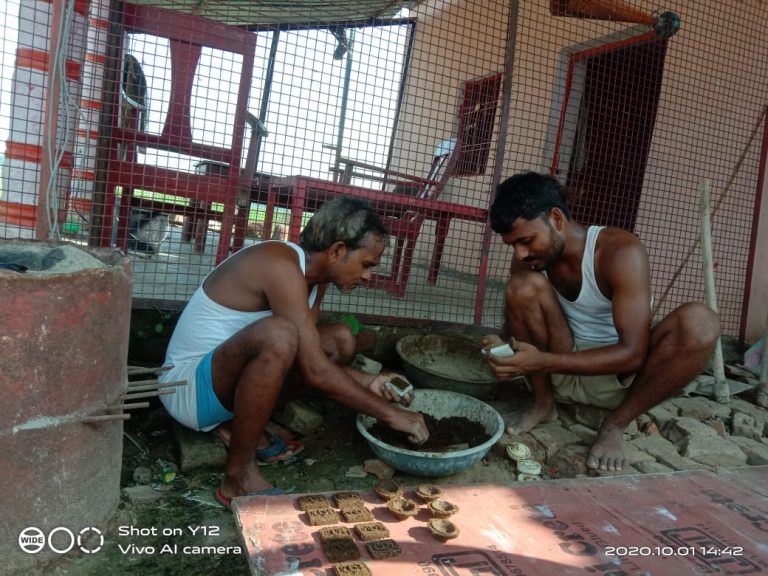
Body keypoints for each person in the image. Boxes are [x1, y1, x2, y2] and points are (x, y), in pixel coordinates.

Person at [159, 197, 428, 507]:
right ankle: (238, 476)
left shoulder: (316, 279)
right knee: (280, 335)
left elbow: (308, 355)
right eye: (367, 264)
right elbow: (313, 368)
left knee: (338, 338)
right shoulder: (278, 264)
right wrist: (392, 415)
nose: (369, 276)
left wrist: (372, 381)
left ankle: (239, 426)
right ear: (337, 251)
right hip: (186, 390)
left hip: (218, 385)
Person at [484, 171, 720, 471]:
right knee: (521, 285)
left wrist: (539, 361)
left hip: (622, 382)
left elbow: (633, 353)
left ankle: (615, 425)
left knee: (701, 321)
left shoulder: (620, 251)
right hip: (559, 366)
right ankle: (543, 404)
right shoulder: (529, 257)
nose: (520, 252)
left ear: (556, 219)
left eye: (526, 240)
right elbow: (522, 321)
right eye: (513, 245)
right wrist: (505, 348)